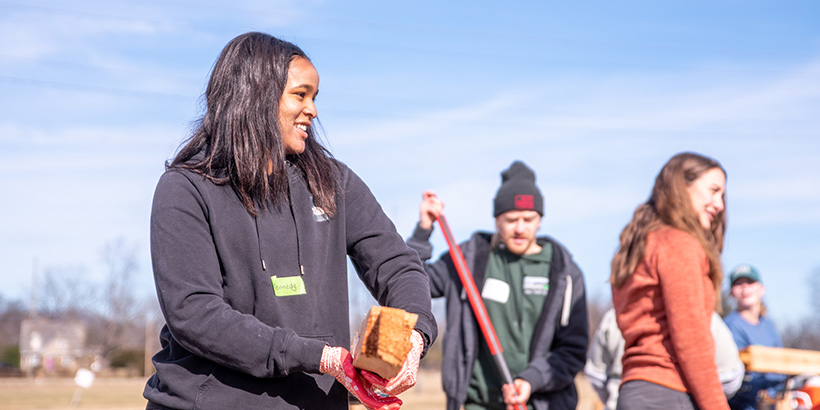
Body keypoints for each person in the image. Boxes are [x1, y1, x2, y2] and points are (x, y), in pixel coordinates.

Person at [142, 32, 437, 410]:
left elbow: (397, 266)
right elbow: (195, 313)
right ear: (255, 96)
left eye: (314, 97)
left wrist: (412, 336)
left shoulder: (334, 183)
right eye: (300, 95)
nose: (312, 110)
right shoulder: (186, 188)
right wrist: (318, 356)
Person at [406, 161, 589, 410]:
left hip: (542, 403)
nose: (520, 228)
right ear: (496, 220)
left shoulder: (565, 272)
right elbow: (411, 283)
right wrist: (423, 230)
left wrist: (531, 379)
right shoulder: (468, 258)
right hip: (478, 404)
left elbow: (573, 350)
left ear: (540, 219)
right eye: (511, 219)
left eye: (529, 218)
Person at [610, 152, 730, 410]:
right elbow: (691, 338)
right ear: (682, 186)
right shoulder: (679, 244)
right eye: (713, 190)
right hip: (669, 392)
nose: (719, 204)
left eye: (722, 195)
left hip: (636, 389)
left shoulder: (642, 244)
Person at [584, 307, 744, 410]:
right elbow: (730, 376)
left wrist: (616, 395)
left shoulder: (617, 315)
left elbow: (596, 375)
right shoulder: (702, 315)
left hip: (623, 400)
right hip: (680, 400)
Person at [724, 264, 787, 410]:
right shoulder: (731, 325)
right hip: (741, 404)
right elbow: (736, 373)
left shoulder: (769, 326)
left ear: (761, 289)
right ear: (732, 292)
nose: (745, 287)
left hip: (772, 402)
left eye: (750, 282)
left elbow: (780, 363)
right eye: (738, 283)